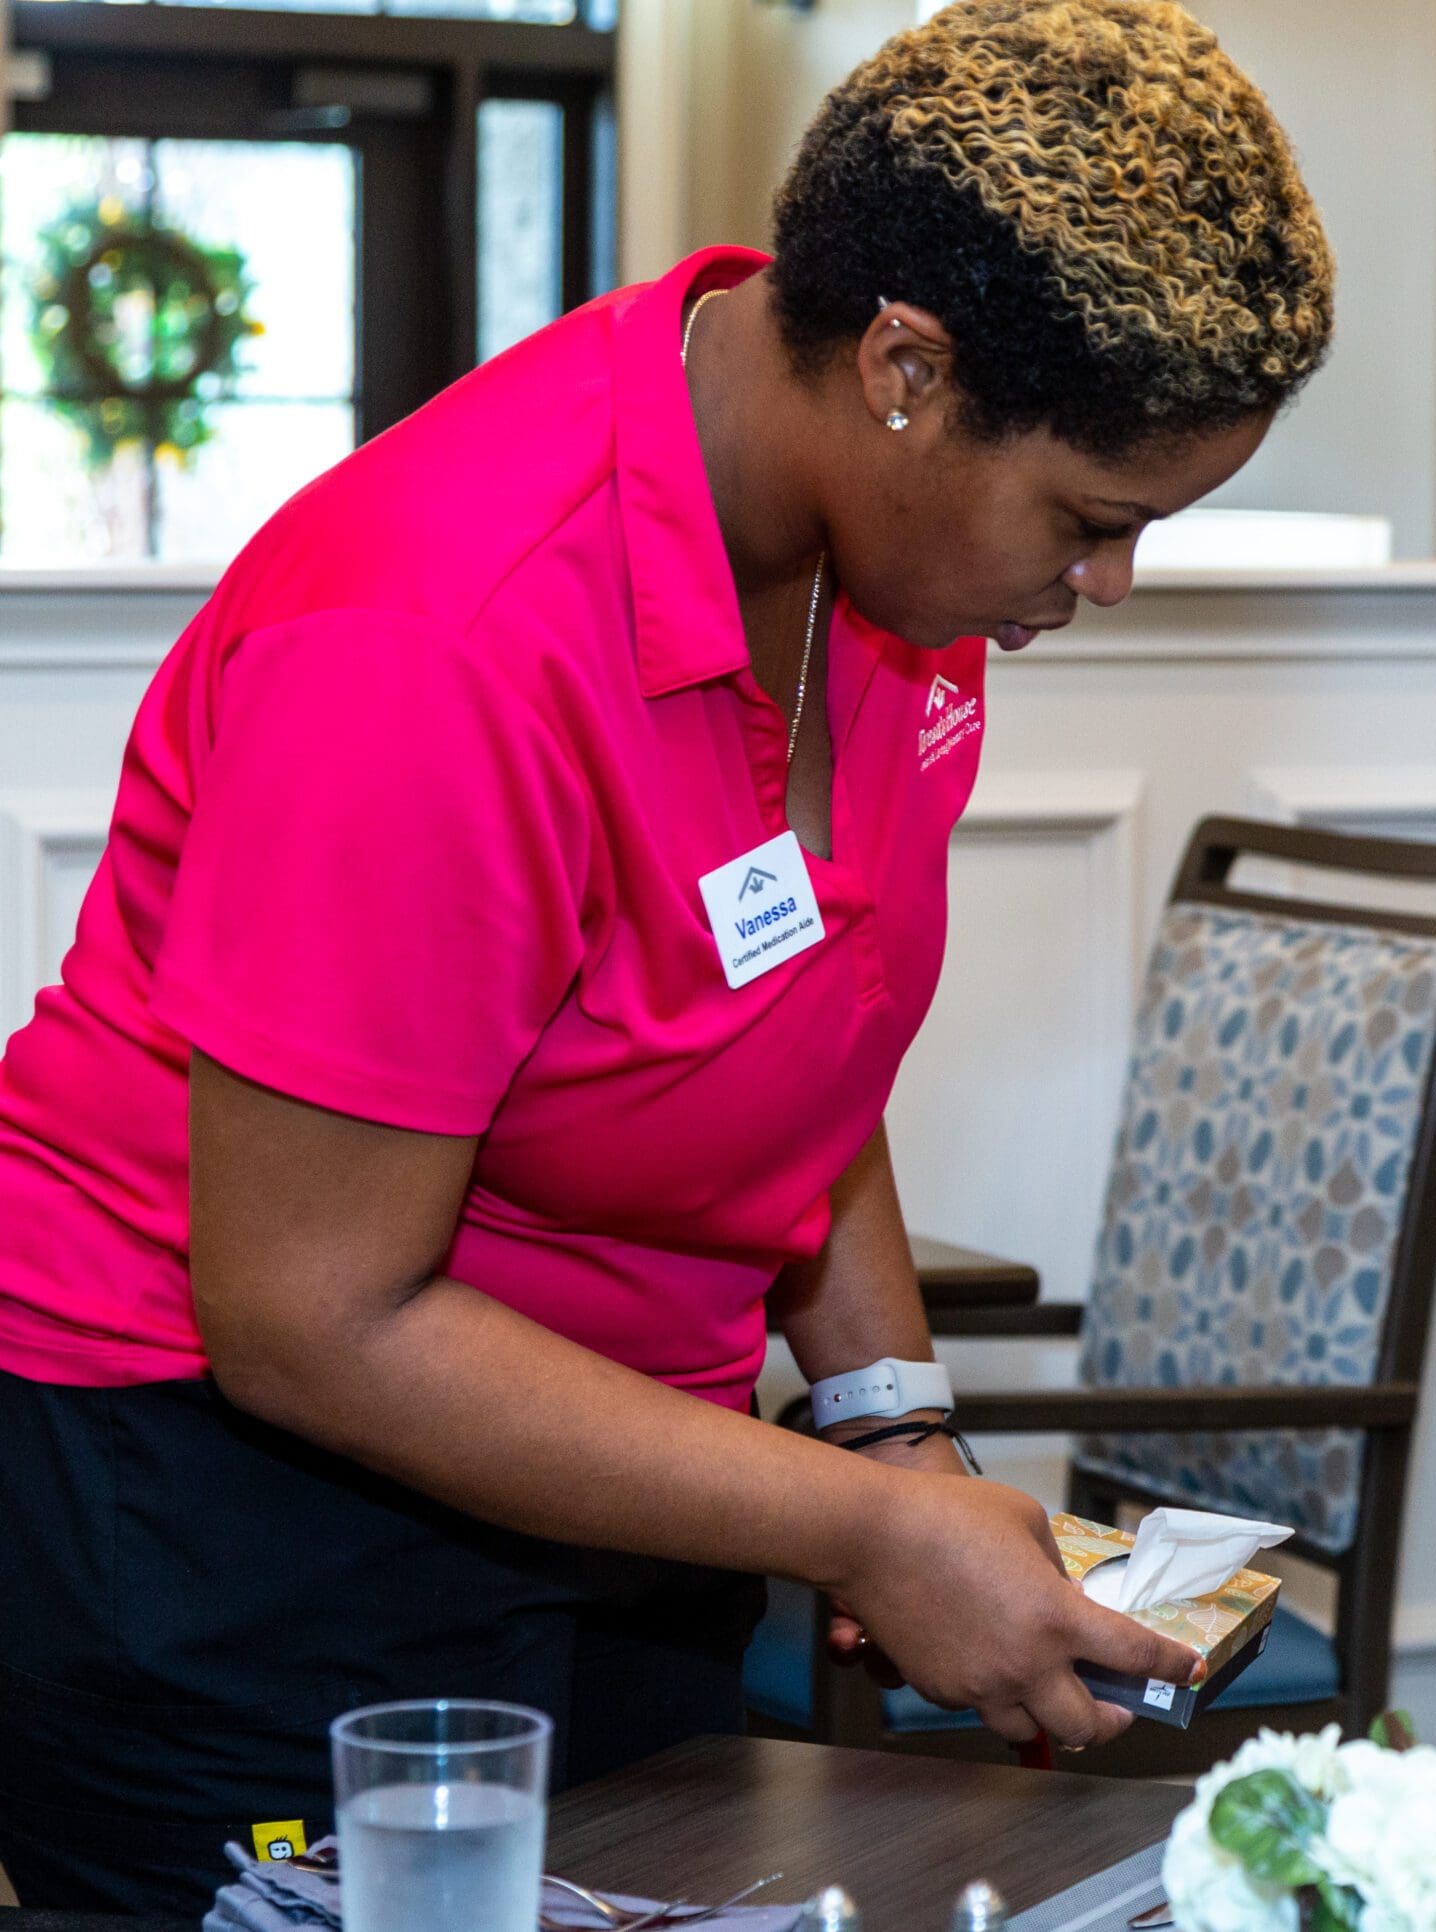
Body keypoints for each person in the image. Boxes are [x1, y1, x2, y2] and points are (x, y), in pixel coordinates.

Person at [0, 0, 1334, 1910]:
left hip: (621, 1476)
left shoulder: (894, 563)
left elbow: (801, 1024)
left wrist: (898, 1424)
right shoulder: (437, 640)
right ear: (905, 370)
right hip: (232, 1515)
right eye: (1093, 518)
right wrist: (861, 1530)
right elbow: (308, 1314)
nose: (1104, 584)